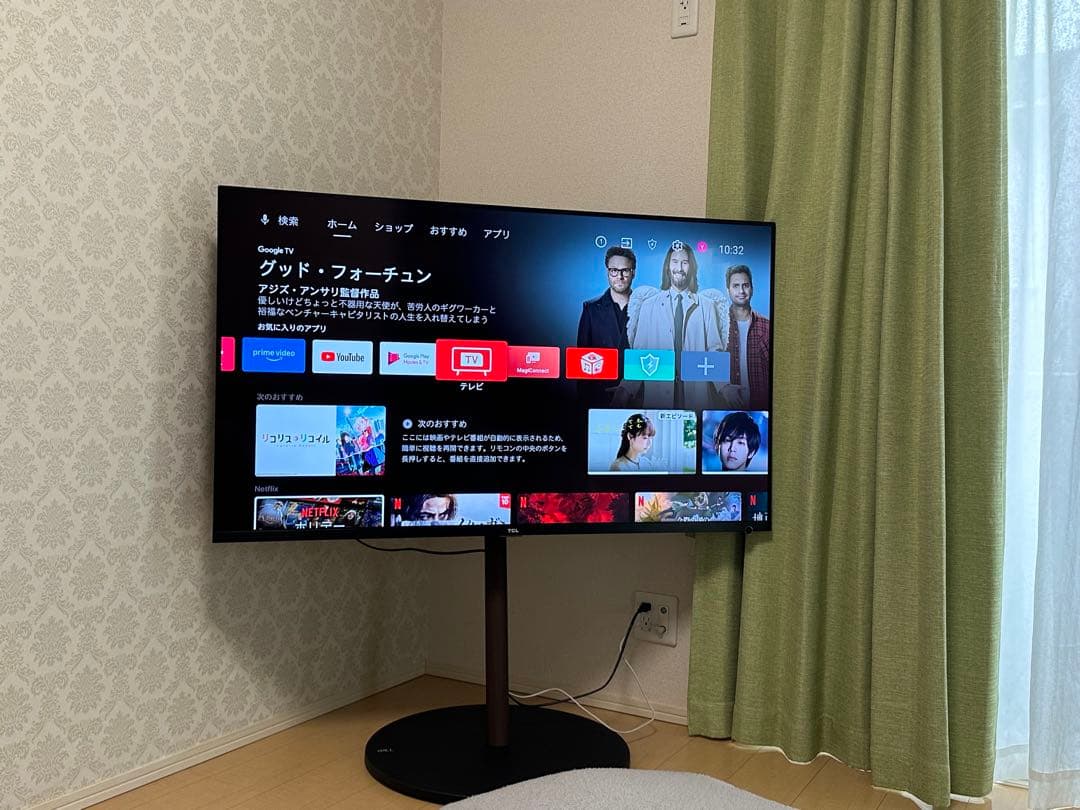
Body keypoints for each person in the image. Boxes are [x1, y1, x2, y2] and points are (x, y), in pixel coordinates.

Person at [621, 241, 725, 409]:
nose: (679, 268)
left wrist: (725, 387)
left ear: (692, 267)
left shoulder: (707, 306)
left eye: (685, 263)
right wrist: (625, 389)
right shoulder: (648, 305)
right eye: (675, 262)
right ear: (667, 267)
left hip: (695, 397)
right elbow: (639, 355)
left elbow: (715, 353)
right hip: (658, 398)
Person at [577, 247, 636, 405]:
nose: (620, 277)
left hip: (636, 398)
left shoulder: (648, 308)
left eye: (625, 270)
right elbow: (581, 361)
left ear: (633, 273)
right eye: (614, 271)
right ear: (608, 272)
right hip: (599, 397)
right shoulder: (591, 309)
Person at [723, 264, 770, 410]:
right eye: (735, 286)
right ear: (728, 290)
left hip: (760, 410)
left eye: (745, 285)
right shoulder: (718, 325)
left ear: (752, 288)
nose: (741, 291)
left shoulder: (767, 326)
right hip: (724, 408)